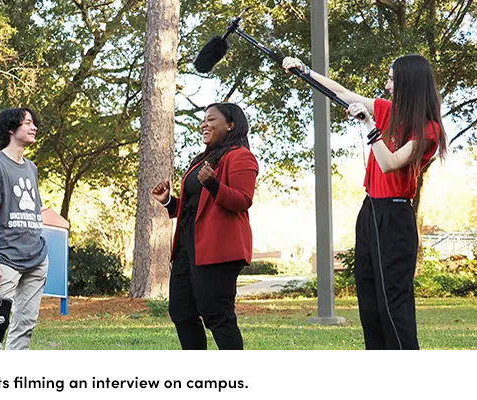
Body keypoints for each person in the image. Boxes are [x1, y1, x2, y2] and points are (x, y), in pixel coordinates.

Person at [283, 55, 447, 350]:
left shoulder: (428, 130)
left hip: (395, 216)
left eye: (392, 80)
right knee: (369, 300)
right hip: (370, 210)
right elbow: (343, 94)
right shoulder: (388, 111)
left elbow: (390, 162)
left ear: (409, 83)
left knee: (392, 302)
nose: (387, 86)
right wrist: (305, 71)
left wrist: (370, 125)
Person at [151, 103, 258, 350]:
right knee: (181, 311)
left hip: (217, 250)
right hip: (188, 248)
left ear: (230, 125)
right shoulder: (204, 160)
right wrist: (168, 201)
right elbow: (196, 209)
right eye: (203, 120)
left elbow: (243, 200)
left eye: (211, 119)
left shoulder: (241, 156)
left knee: (218, 316)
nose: (204, 124)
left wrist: (213, 185)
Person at [0, 107, 49, 350]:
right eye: (27, 123)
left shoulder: (32, 168)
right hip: (6, 258)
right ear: (11, 129)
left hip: (35, 258)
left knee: (25, 326)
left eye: (33, 122)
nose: (34, 127)